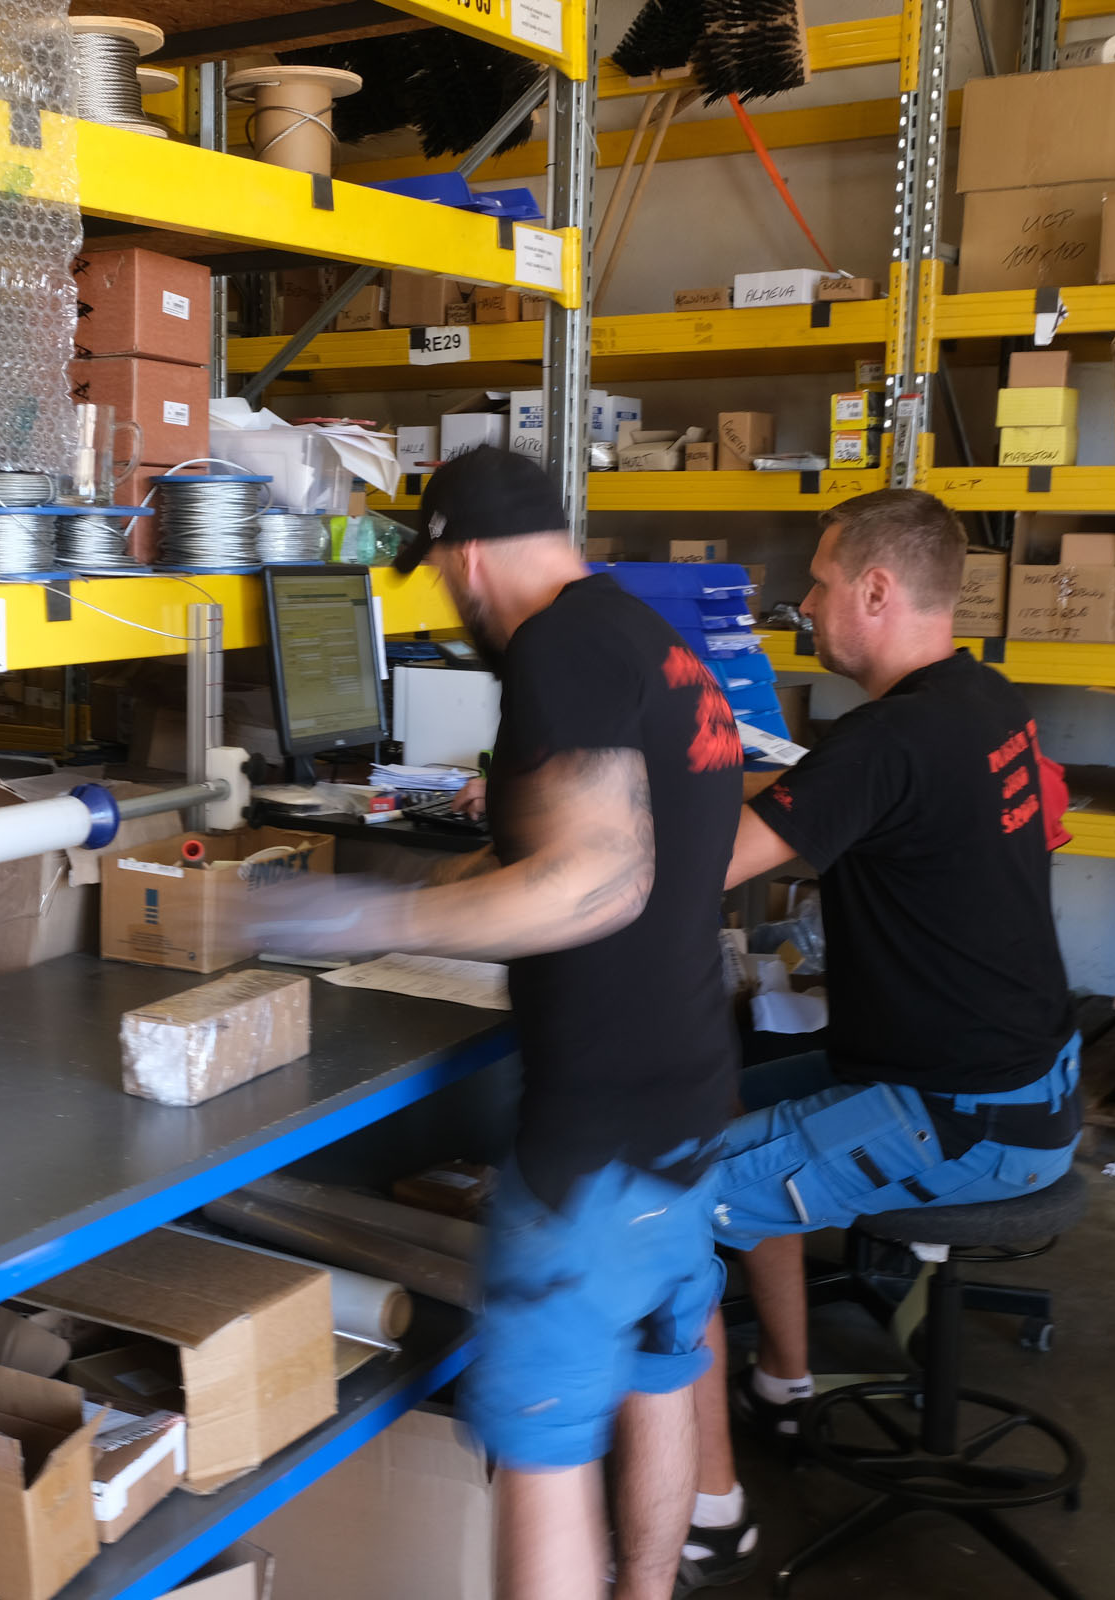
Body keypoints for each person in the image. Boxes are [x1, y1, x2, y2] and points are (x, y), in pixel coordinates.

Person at [246, 446, 746, 1600]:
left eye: (441, 579)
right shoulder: (649, 641)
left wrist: (369, 916)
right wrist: (452, 880)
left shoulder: (555, 651)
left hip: (592, 1147)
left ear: (466, 560)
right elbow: (609, 844)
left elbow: (598, 879)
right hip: (686, 1103)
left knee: (543, 1446)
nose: (452, 603)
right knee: (661, 1371)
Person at [679, 489, 1081, 1587]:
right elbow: (827, 796)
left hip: (960, 1119)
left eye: (817, 585)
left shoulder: (887, 739)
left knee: (663, 1209)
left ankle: (710, 1517)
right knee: (728, 1104)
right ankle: (783, 1385)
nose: (804, 608)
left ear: (874, 590)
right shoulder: (980, 700)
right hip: (1028, 1086)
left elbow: (705, 867)